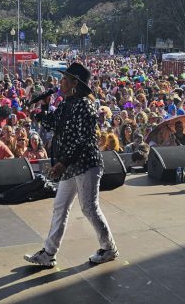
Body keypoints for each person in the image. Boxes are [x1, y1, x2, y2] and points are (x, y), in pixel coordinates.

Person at [25, 62, 118, 268]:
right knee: (60, 207)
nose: (61, 82)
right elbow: (50, 123)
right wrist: (43, 105)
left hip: (85, 164)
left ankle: (109, 248)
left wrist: (63, 163)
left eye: (65, 79)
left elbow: (84, 140)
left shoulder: (85, 105)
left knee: (89, 208)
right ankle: (49, 253)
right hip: (70, 166)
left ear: (75, 83)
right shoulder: (66, 104)